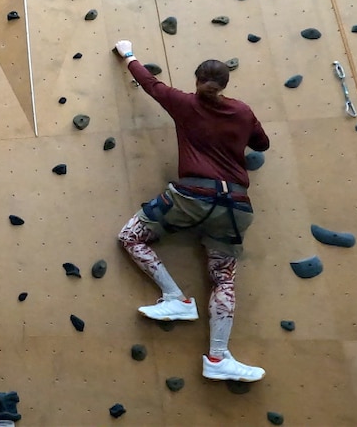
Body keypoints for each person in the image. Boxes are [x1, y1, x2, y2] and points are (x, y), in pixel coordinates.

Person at [113, 39, 270, 382]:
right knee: (223, 279)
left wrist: (128, 54)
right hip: (236, 207)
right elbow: (262, 144)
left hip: (192, 196)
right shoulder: (242, 111)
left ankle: (175, 297)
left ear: (197, 80)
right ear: (225, 84)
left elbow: (150, 84)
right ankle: (218, 357)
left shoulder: (184, 103)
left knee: (131, 236)